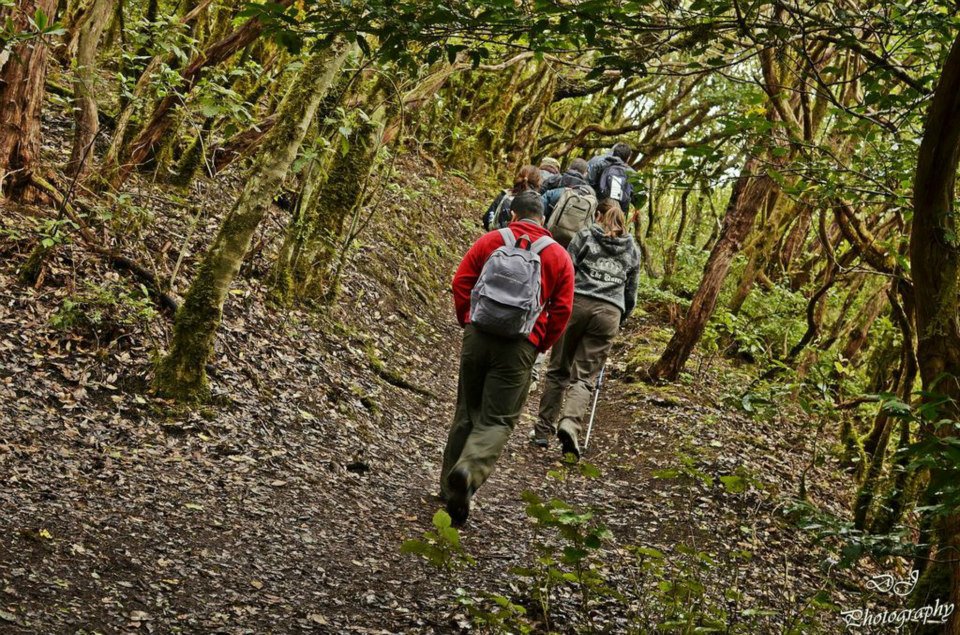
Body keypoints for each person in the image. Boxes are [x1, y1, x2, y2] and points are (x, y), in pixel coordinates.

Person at [442, 190, 575, 526]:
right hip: (520, 344)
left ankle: (447, 487)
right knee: (498, 419)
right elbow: (562, 310)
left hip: (478, 334)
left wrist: (468, 319)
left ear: (513, 216)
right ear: (543, 219)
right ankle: (468, 471)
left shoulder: (489, 241)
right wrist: (540, 344)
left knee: (466, 411)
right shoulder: (558, 256)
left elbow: (461, 282)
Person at [533, 199, 640, 459]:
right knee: (584, 376)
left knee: (559, 369)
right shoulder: (632, 248)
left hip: (576, 304)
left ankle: (542, 431)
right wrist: (620, 316)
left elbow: (567, 269)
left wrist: (555, 302)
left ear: (598, 215)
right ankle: (570, 424)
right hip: (609, 312)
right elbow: (631, 292)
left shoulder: (584, 236)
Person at [482, 165, 542, 231]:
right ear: (537, 183)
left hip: (496, 237)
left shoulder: (505, 195)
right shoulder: (538, 204)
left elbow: (487, 218)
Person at [586, 142, 635, 213]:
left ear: (613, 151)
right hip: (616, 212)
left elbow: (585, 180)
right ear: (628, 158)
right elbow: (637, 197)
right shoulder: (631, 173)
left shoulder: (596, 161)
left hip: (595, 207)